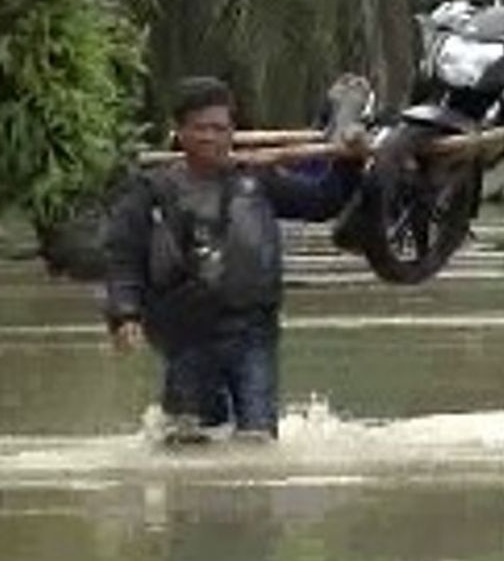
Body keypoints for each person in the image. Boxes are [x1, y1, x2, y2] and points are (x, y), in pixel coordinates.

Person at [102, 77, 364, 442]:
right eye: (201, 129)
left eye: (220, 129)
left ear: (232, 132)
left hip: (252, 328)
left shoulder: (256, 180)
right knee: (187, 438)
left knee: (257, 440)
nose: (211, 137)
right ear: (179, 132)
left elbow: (322, 202)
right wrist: (124, 312)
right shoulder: (152, 190)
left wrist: (349, 164)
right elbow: (123, 254)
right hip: (185, 332)